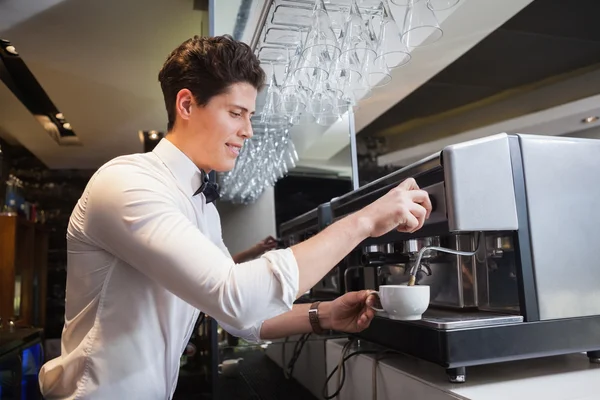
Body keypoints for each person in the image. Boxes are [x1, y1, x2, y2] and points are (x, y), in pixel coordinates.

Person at [38, 35, 432, 399]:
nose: (247, 131)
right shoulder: (126, 183)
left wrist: (326, 314)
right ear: (187, 104)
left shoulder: (202, 209)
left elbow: (241, 318)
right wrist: (364, 221)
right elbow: (238, 299)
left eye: (250, 116)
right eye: (236, 113)